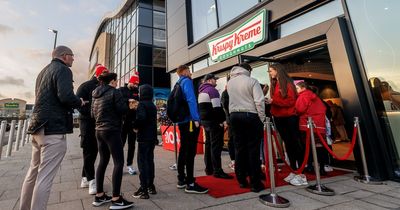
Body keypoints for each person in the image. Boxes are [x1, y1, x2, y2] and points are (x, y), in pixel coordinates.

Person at [20, 46, 85, 210]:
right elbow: (65, 96)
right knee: (45, 177)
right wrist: (80, 102)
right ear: (64, 56)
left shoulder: (43, 71)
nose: (73, 59)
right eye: (72, 56)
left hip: (37, 127)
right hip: (52, 129)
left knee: (32, 173)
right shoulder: (63, 70)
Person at [91, 72, 134, 209]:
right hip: (112, 130)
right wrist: (130, 106)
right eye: (116, 81)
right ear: (112, 81)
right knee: (119, 162)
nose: (117, 83)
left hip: (99, 131)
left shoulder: (95, 93)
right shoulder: (115, 92)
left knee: (102, 161)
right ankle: (116, 199)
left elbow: (92, 114)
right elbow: (122, 110)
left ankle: (99, 195)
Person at [227, 63, 265, 192]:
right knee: (253, 150)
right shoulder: (252, 81)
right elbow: (259, 101)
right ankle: (255, 183)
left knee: (239, 149)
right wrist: (262, 118)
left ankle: (242, 180)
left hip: (234, 115)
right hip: (250, 114)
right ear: (248, 70)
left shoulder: (230, 83)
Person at [267, 63, 305, 186]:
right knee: (288, 144)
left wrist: (274, 101)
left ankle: (300, 173)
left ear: (277, 70)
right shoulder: (276, 84)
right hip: (279, 117)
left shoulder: (287, 83)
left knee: (294, 143)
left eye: (271, 70)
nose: (270, 73)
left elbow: (291, 101)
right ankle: (294, 170)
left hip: (289, 117)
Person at [175, 65, 208, 194]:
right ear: (184, 72)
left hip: (182, 121)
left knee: (183, 149)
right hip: (189, 121)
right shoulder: (187, 82)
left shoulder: (177, 83)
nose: (190, 72)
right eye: (189, 70)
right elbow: (191, 100)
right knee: (190, 151)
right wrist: (196, 118)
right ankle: (191, 183)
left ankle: (181, 179)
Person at [76, 64, 109, 195]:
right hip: (87, 123)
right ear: (99, 75)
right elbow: (78, 104)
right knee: (89, 151)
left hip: (99, 124)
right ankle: (91, 180)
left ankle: (84, 177)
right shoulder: (85, 86)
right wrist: (92, 113)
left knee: (94, 152)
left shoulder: (105, 87)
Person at [198, 74, 233, 179]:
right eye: (215, 79)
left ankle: (209, 169)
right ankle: (218, 170)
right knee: (216, 147)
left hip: (205, 122)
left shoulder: (201, 91)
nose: (216, 81)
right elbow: (217, 108)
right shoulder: (212, 90)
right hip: (214, 122)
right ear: (209, 80)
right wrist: (222, 120)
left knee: (208, 145)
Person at [295, 82, 327, 177]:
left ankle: (310, 166)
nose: (296, 90)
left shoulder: (303, 96)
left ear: (303, 88)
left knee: (307, 147)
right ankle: (322, 168)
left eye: (297, 88)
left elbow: (299, 109)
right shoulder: (316, 97)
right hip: (319, 126)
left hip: (307, 125)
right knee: (320, 147)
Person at [132, 84, 158, 199]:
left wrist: (135, 126)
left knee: (142, 163)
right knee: (150, 161)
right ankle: (151, 186)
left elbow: (141, 118)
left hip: (143, 137)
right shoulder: (152, 105)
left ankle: (143, 189)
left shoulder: (141, 104)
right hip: (152, 137)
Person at [119, 73, 140, 175]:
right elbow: (117, 102)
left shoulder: (136, 91)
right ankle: (119, 165)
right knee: (121, 144)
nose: (136, 86)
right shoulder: (121, 90)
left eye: (137, 84)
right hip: (123, 122)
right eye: (134, 84)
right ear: (130, 81)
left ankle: (129, 165)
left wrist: (137, 104)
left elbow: (139, 102)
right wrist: (128, 100)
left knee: (132, 145)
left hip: (132, 122)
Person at [221, 83, 235, 170]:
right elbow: (225, 106)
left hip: (231, 119)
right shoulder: (226, 93)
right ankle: (234, 161)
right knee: (232, 140)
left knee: (233, 140)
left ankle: (234, 160)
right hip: (231, 120)